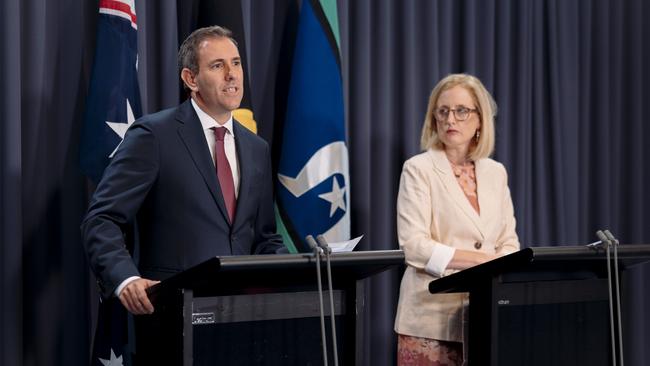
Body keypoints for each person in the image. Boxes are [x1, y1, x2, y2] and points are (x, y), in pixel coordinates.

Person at [81, 25, 284, 361]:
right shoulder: (155, 135)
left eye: (236, 63)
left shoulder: (256, 148)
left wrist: (305, 268)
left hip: (242, 324)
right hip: (173, 322)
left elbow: (263, 237)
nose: (232, 75)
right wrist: (125, 277)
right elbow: (101, 219)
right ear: (191, 79)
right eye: (218, 66)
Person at [394, 74, 520, 365]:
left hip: (485, 314)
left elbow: (509, 243)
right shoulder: (418, 169)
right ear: (434, 118)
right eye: (443, 111)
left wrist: (498, 261)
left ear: (480, 119)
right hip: (430, 318)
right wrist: (484, 262)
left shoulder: (495, 172)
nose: (451, 119)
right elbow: (414, 246)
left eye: (461, 111)